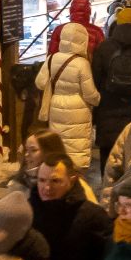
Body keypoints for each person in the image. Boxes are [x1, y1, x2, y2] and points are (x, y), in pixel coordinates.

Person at [93, 6, 131, 166]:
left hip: (107, 109)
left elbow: (96, 78)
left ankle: (107, 187)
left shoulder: (104, 47)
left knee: (108, 154)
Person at [37, 23, 101, 174]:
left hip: (56, 105)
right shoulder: (82, 63)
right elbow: (90, 94)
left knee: (58, 145)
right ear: (82, 41)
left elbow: (39, 83)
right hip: (78, 109)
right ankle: (75, 179)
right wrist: (98, 100)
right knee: (76, 149)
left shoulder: (51, 59)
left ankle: (58, 175)